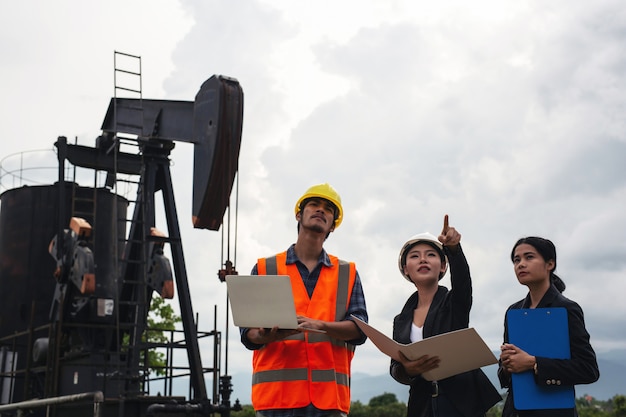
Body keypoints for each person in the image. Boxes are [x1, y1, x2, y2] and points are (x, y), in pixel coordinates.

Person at [239, 183, 368, 417]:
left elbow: (360, 330)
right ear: (299, 214)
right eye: (314, 204)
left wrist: (320, 325)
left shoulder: (347, 273)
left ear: (333, 225)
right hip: (275, 401)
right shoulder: (265, 268)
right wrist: (265, 336)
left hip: (329, 402)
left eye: (328, 209)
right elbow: (248, 333)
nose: (321, 210)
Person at [390, 215, 501, 417]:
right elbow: (395, 368)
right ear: (406, 269)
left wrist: (454, 250)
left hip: (460, 405)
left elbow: (462, 283)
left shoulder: (454, 303)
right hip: (421, 406)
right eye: (414, 256)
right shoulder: (401, 320)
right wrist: (409, 370)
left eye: (431, 255)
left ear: (443, 266)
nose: (423, 259)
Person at [498, 236, 599, 417]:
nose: (521, 264)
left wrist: (533, 363)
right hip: (515, 411)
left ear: (550, 263)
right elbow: (506, 374)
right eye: (516, 260)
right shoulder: (513, 312)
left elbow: (588, 369)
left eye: (529, 257)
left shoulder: (567, 309)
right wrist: (506, 365)